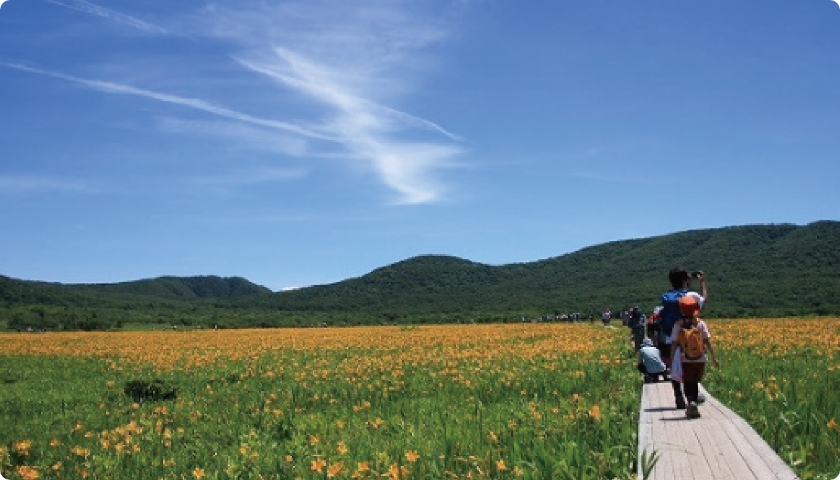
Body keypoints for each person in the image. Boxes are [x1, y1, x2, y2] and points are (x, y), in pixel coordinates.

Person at [659, 268, 708, 409]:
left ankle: (678, 397)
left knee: (675, 368)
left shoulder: (667, 296)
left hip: (671, 337)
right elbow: (704, 299)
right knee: (690, 367)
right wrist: (702, 282)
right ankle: (692, 398)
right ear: (685, 280)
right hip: (689, 337)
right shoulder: (691, 295)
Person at [670, 293, 720, 418]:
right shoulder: (701, 324)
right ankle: (694, 403)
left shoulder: (678, 324)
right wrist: (714, 358)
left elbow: (674, 344)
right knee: (695, 382)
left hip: (685, 358)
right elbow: (708, 342)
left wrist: (671, 361)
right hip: (700, 359)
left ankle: (691, 402)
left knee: (688, 382)